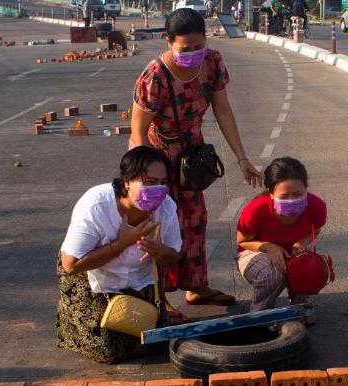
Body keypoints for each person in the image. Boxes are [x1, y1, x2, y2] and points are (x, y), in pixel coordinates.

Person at [130, 9, 263, 321]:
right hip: (156, 158)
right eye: (184, 49)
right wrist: (146, 178)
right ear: (169, 42)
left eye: (197, 47)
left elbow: (224, 111)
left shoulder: (213, 62)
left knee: (196, 221)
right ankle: (159, 299)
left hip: (192, 158)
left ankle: (197, 287)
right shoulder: (154, 77)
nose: (193, 54)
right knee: (162, 227)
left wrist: (243, 158)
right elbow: (138, 131)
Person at [58, 147, 183, 363]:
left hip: (139, 280)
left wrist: (159, 250)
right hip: (94, 280)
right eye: (150, 182)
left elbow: (174, 257)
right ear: (126, 182)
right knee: (108, 350)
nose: (158, 190)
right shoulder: (96, 206)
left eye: (163, 183)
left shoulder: (167, 207)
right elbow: (71, 264)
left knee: (158, 342)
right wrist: (121, 244)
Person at [236, 157, 327, 318]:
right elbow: (242, 241)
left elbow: (315, 231)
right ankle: (260, 314)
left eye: (298, 194)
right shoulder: (255, 210)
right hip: (256, 251)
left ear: (306, 188)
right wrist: (268, 247)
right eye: (284, 196)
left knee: (309, 267)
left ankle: (302, 305)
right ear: (270, 193)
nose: (292, 200)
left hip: (293, 250)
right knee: (274, 273)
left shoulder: (316, 206)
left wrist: (302, 243)